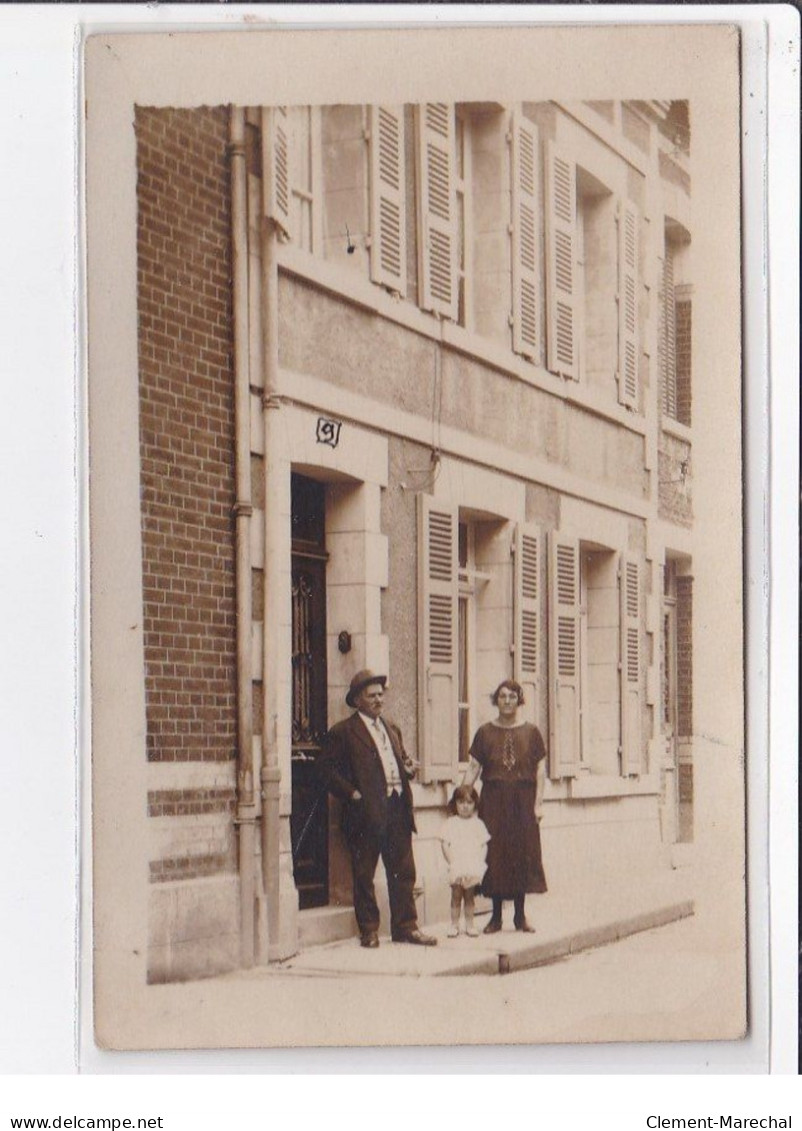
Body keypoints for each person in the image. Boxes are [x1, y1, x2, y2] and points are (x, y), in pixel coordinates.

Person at [318, 669, 437, 949]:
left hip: (397, 808)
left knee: (403, 871)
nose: (378, 700)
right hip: (364, 814)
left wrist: (407, 768)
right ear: (357, 700)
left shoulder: (391, 728)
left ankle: (406, 927)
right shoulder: (343, 732)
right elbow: (325, 771)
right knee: (364, 873)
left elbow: (401, 761)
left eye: (381, 695)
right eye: (371, 696)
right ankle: (369, 930)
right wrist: (352, 794)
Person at [462, 679, 547, 934]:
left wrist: (538, 805)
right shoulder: (485, 732)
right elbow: (474, 768)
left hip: (523, 801)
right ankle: (496, 917)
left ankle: (520, 917)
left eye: (512, 696)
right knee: (495, 855)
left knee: (521, 854)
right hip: (494, 801)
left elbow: (540, 771)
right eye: (502, 696)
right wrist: (462, 797)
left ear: (519, 700)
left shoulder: (531, 732)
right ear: (495, 700)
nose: (507, 701)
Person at [440, 785, 490, 937]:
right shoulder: (451, 823)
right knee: (456, 896)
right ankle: (454, 925)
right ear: (455, 803)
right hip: (457, 864)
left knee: (469, 897)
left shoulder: (478, 824)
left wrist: (479, 863)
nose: (465, 806)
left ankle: (470, 925)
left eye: (469, 802)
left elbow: (483, 845)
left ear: (475, 804)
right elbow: (444, 844)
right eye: (461, 802)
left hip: (472, 865)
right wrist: (452, 862)